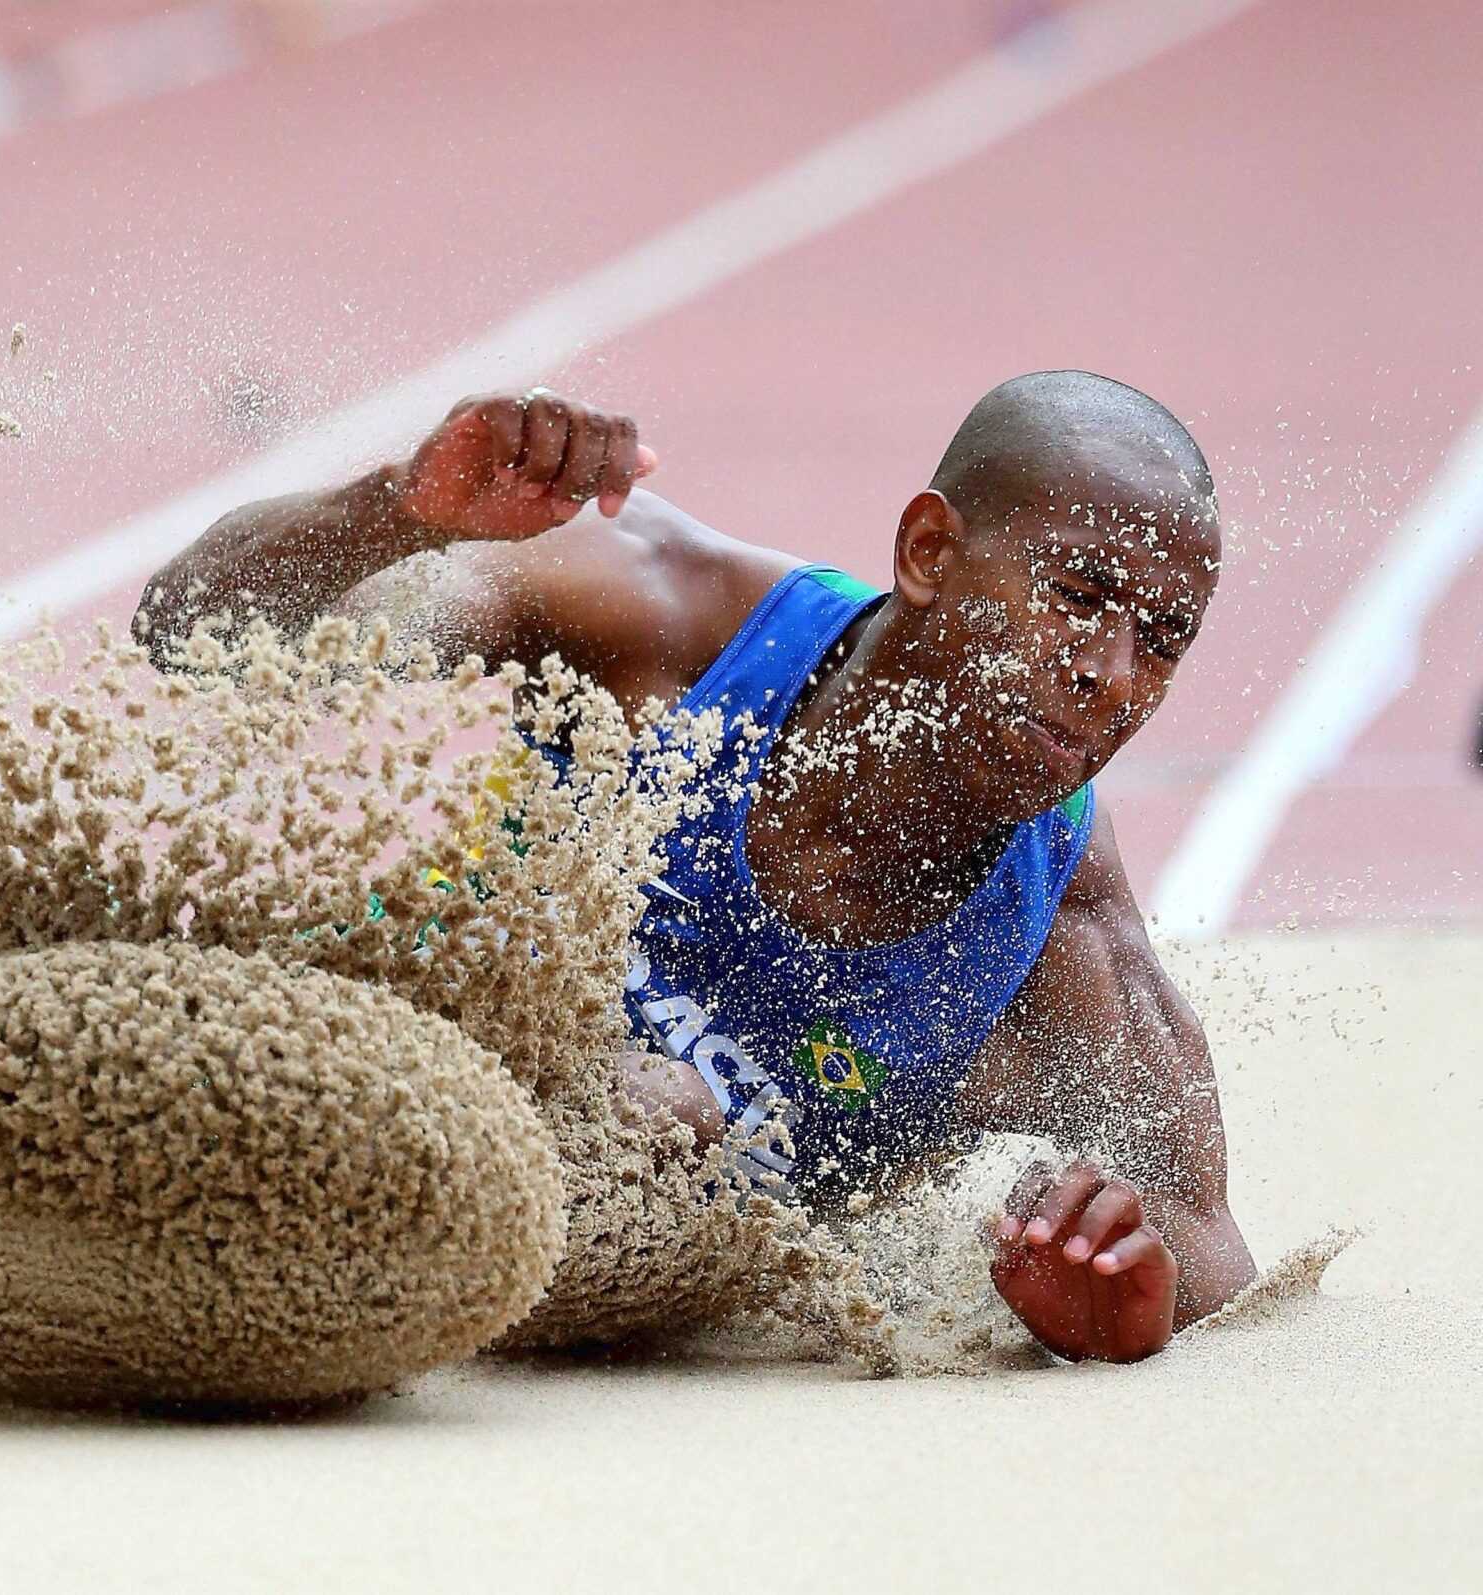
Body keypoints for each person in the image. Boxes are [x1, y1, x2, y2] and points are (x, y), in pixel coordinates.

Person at [136, 372, 1258, 1363]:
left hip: (558, 1260)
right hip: (350, 1073)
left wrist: (1123, 1297)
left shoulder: (1051, 906)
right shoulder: (658, 614)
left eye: (1161, 637)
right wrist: (389, 520)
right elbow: (189, 633)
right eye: (1074, 597)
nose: (1111, 674)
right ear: (928, 553)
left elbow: (1205, 1237)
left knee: (671, 1113)